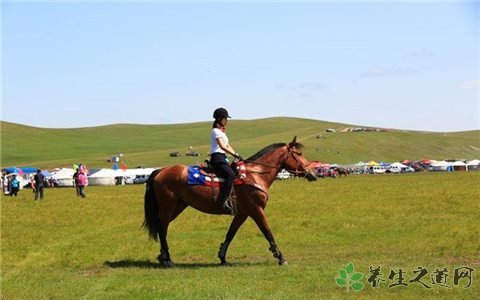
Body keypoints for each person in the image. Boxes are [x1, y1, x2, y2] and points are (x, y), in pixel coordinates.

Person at [210, 107, 243, 213]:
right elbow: (222, 146)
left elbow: (228, 145)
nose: (227, 120)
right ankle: (223, 202)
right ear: (220, 119)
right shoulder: (215, 131)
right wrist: (234, 154)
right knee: (230, 175)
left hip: (223, 158)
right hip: (217, 158)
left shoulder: (222, 132)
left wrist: (237, 155)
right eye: (225, 118)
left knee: (236, 173)